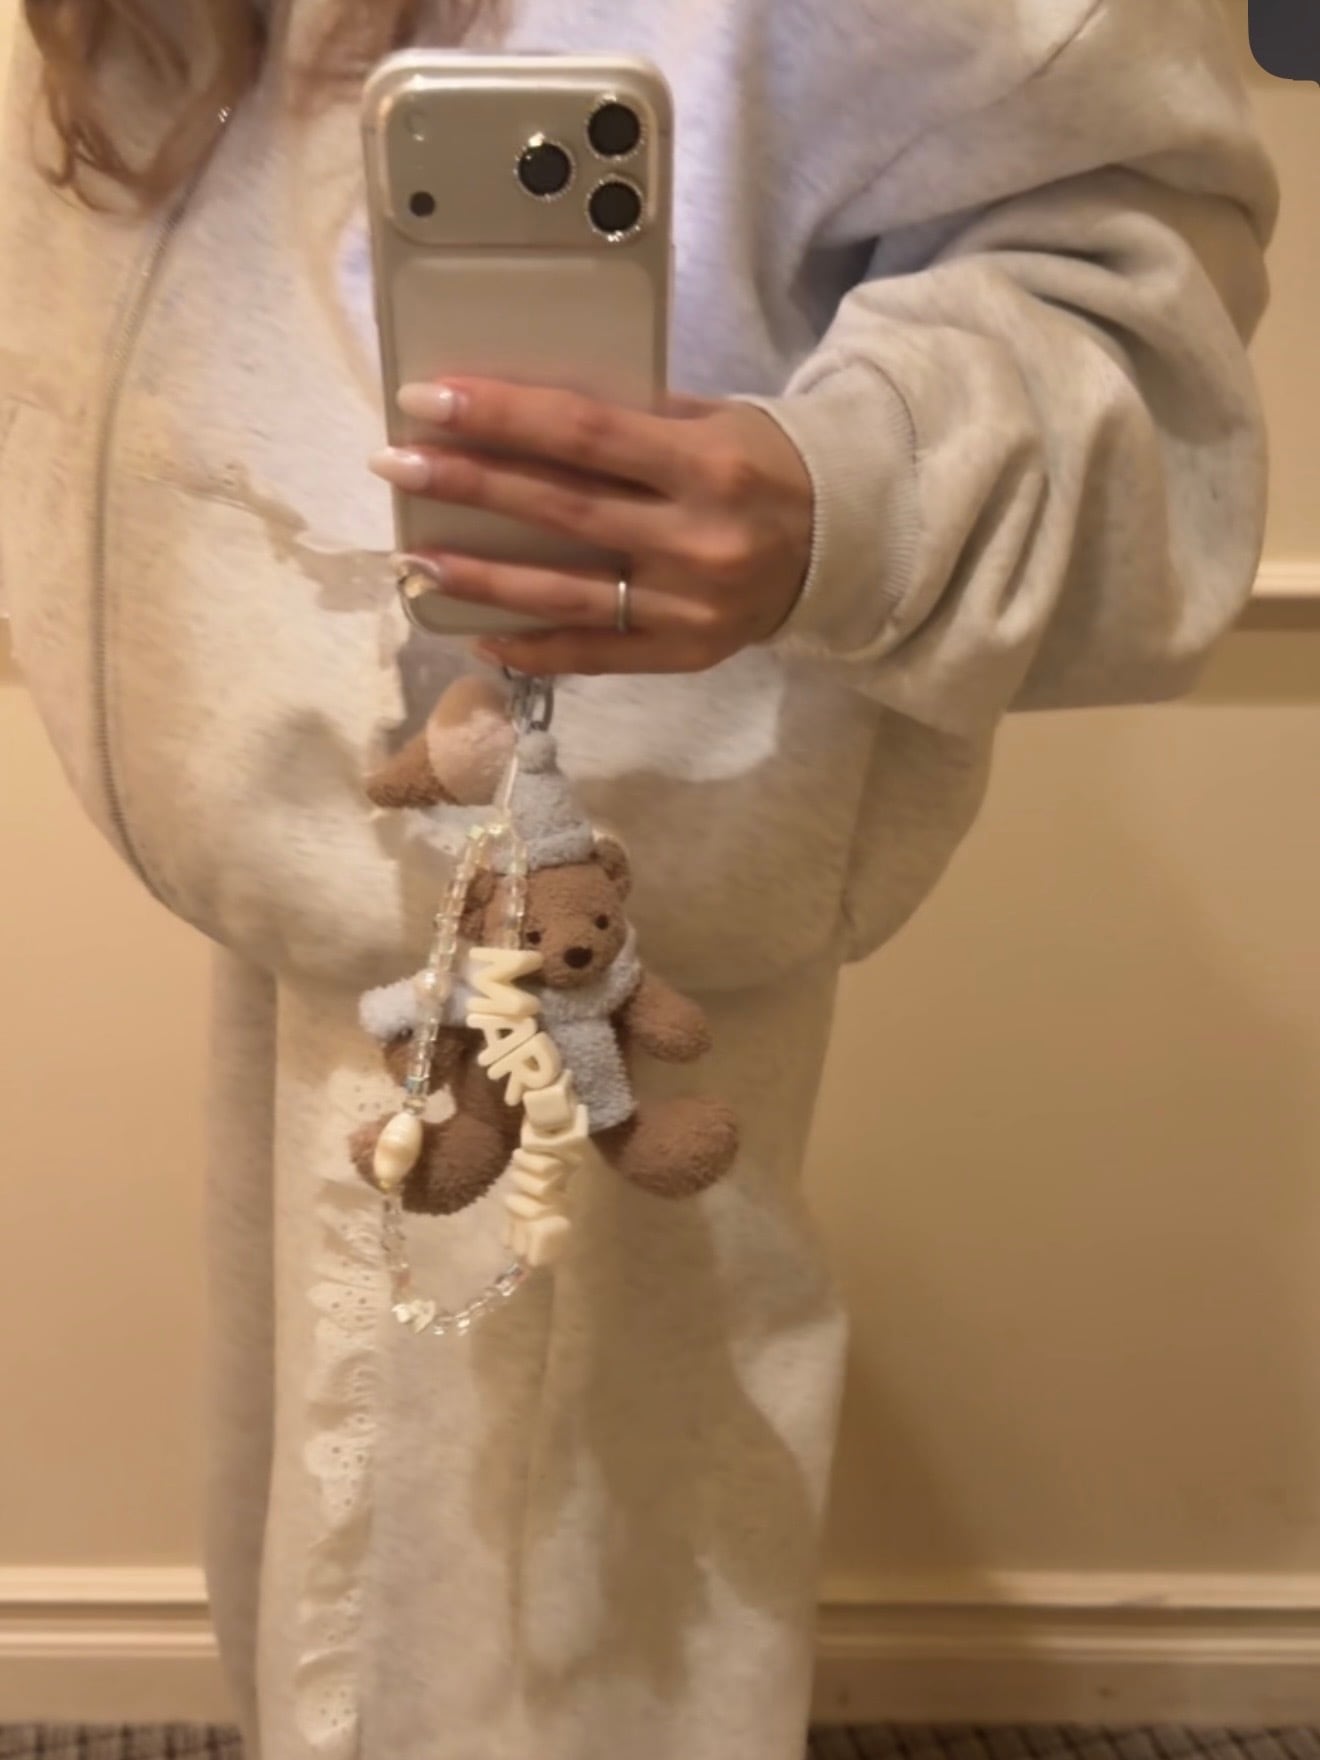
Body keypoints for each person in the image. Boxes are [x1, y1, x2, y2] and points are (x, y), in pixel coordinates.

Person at [0, 3, 1278, 1758]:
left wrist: (849, 491)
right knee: (330, 1579)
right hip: (296, 890)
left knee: (564, 1629)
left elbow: (1128, 292)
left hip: (624, 909)